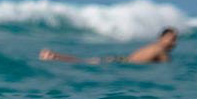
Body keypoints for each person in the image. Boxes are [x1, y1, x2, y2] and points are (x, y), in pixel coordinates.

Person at [39, 27, 179, 65]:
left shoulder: (152, 46)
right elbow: (166, 64)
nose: (174, 42)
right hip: (124, 62)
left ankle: (54, 55)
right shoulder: (161, 51)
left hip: (122, 59)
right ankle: (53, 56)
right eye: (172, 39)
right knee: (84, 62)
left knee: (85, 61)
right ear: (161, 38)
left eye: (176, 39)